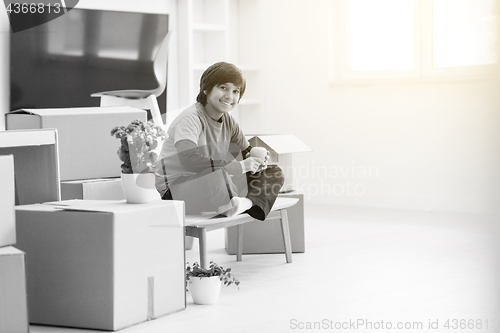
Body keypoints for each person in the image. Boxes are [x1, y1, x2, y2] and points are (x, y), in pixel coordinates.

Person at [155, 62, 284, 220]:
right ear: (206, 89)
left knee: (274, 172)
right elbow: (188, 159)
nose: (230, 96)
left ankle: (244, 204)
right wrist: (239, 167)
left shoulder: (228, 121)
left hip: (212, 183)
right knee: (218, 175)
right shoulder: (190, 118)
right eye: (223, 88)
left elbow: (246, 154)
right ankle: (236, 203)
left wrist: (257, 157)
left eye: (236, 91)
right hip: (176, 191)